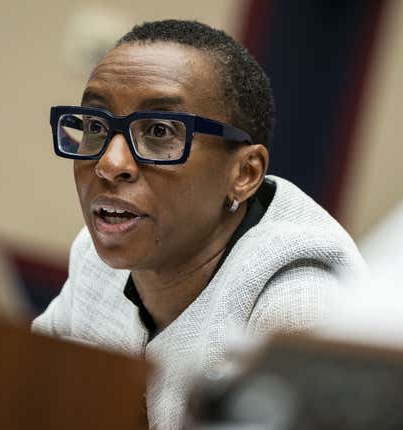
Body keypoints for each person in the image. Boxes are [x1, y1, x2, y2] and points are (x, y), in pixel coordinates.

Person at [33, 19, 366, 429]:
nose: (109, 163)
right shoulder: (94, 256)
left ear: (244, 173)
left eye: (159, 131)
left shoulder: (303, 308)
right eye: (96, 127)